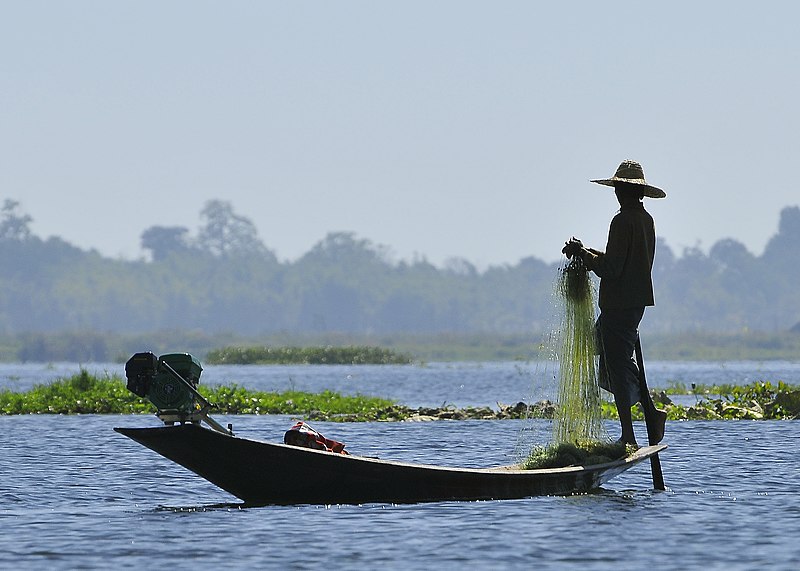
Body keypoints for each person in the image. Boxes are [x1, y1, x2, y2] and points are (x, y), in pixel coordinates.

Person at [561, 159, 667, 446]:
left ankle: (629, 434)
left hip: (620, 304)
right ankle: (650, 410)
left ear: (628, 191)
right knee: (608, 354)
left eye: (620, 188)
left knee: (618, 368)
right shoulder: (645, 220)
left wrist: (583, 255)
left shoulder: (622, 221)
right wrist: (586, 251)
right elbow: (618, 260)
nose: (617, 193)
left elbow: (612, 269)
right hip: (634, 303)